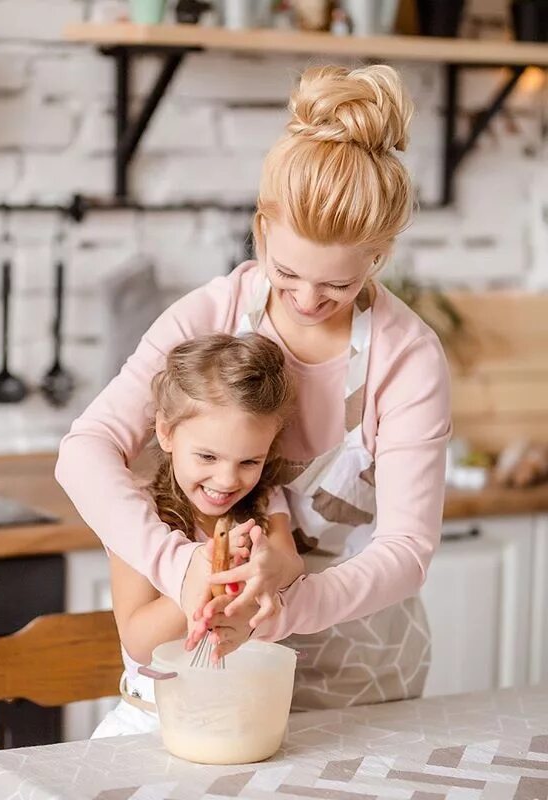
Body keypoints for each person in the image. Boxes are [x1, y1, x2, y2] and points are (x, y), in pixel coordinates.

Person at [57, 63, 451, 711]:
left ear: (377, 257)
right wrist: (180, 566)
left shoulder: (406, 357)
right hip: (214, 679)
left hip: (364, 680)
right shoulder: (208, 315)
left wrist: (286, 605)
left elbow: (407, 550)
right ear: (262, 227)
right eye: (287, 271)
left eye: (338, 285)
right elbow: (86, 449)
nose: (306, 299)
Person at [91, 332, 299, 737]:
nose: (227, 479)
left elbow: (289, 563)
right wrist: (207, 577)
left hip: (236, 725)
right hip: (147, 726)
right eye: (207, 456)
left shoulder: (265, 501)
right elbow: (138, 641)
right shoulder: (137, 516)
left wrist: (256, 565)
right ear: (166, 432)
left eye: (249, 461)